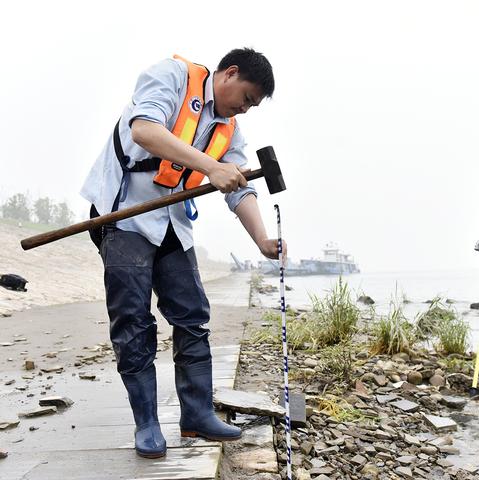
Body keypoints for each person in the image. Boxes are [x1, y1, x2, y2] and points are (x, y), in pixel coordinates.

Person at [81, 48, 285, 458]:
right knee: (134, 321)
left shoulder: (229, 130)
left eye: (252, 106)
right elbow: (144, 130)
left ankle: (196, 416)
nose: (244, 110)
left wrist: (261, 240)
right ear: (229, 74)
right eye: (246, 98)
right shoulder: (172, 77)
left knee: (193, 315)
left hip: (171, 222)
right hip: (123, 215)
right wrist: (210, 166)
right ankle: (148, 425)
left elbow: (239, 186)